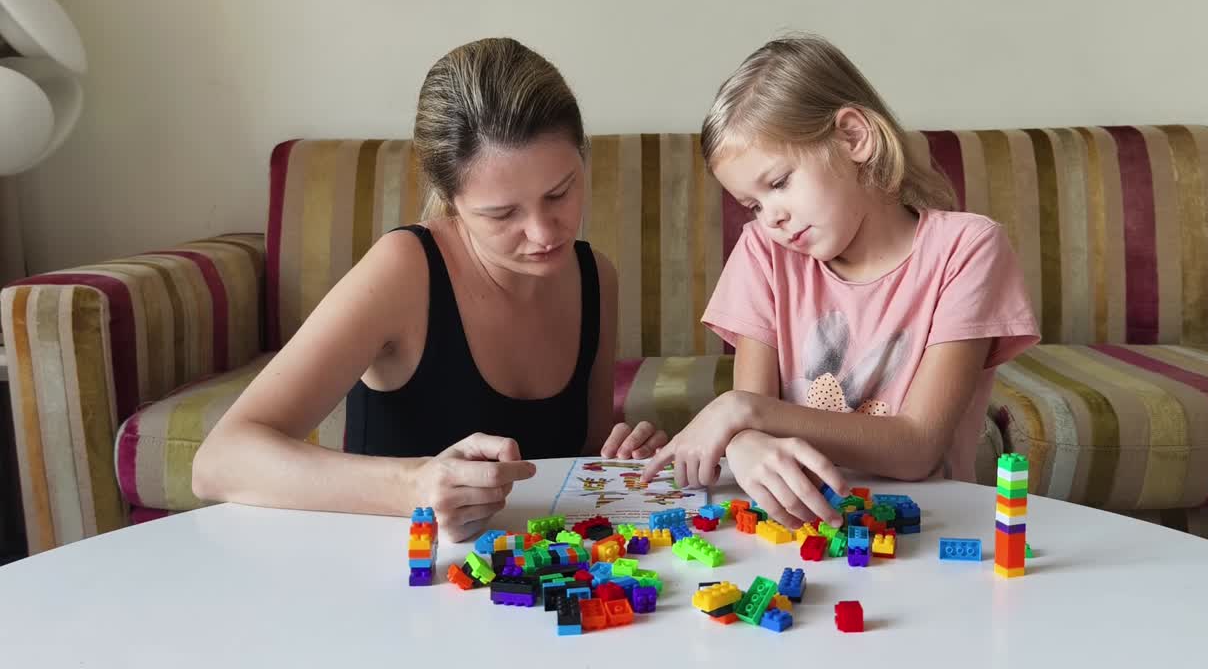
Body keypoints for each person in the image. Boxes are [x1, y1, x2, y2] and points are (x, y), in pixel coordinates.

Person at [193, 38, 666, 541]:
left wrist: (620, 456)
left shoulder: (596, 276)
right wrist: (414, 486)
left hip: (527, 584)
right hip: (396, 579)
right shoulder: (405, 271)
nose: (546, 233)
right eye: (503, 213)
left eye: (561, 192)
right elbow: (220, 461)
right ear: (451, 198)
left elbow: (578, 457)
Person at [641, 33, 1039, 529]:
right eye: (753, 205)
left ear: (853, 137)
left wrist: (743, 413)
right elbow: (750, 419)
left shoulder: (967, 249)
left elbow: (917, 447)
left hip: (929, 525)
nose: (771, 219)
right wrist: (743, 435)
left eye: (779, 183)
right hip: (794, 525)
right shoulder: (763, 251)